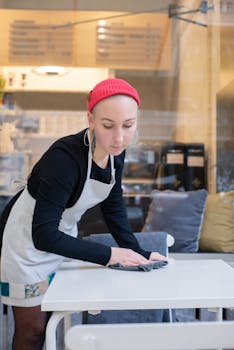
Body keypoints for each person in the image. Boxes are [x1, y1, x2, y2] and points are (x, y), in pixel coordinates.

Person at [0, 78, 166, 350]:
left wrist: (138, 253)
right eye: (108, 126)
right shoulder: (64, 159)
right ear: (90, 119)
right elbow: (42, 236)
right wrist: (111, 255)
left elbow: (113, 206)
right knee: (33, 331)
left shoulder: (116, 152)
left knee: (54, 324)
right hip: (27, 247)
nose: (120, 138)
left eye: (128, 125)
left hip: (61, 240)